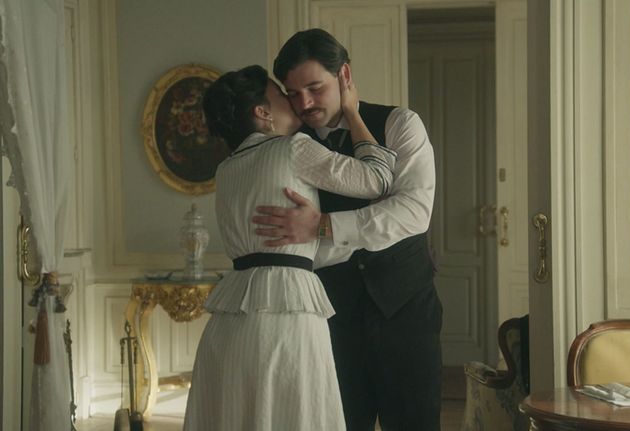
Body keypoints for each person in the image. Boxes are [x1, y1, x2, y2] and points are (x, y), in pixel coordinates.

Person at [182, 64, 396, 431]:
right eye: (281, 94)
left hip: (231, 318)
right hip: (285, 310)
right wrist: (352, 111)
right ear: (262, 112)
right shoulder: (293, 147)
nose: (293, 101)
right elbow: (377, 179)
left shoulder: (226, 170)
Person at [252, 29, 442, 430]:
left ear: (344, 76)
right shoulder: (287, 146)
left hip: (406, 310)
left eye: (314, 88)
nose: (304, 103)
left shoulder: (400, 123)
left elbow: (413, 212)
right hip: (329, 318)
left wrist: (322, 225)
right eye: (293, 93)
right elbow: (291, 237)